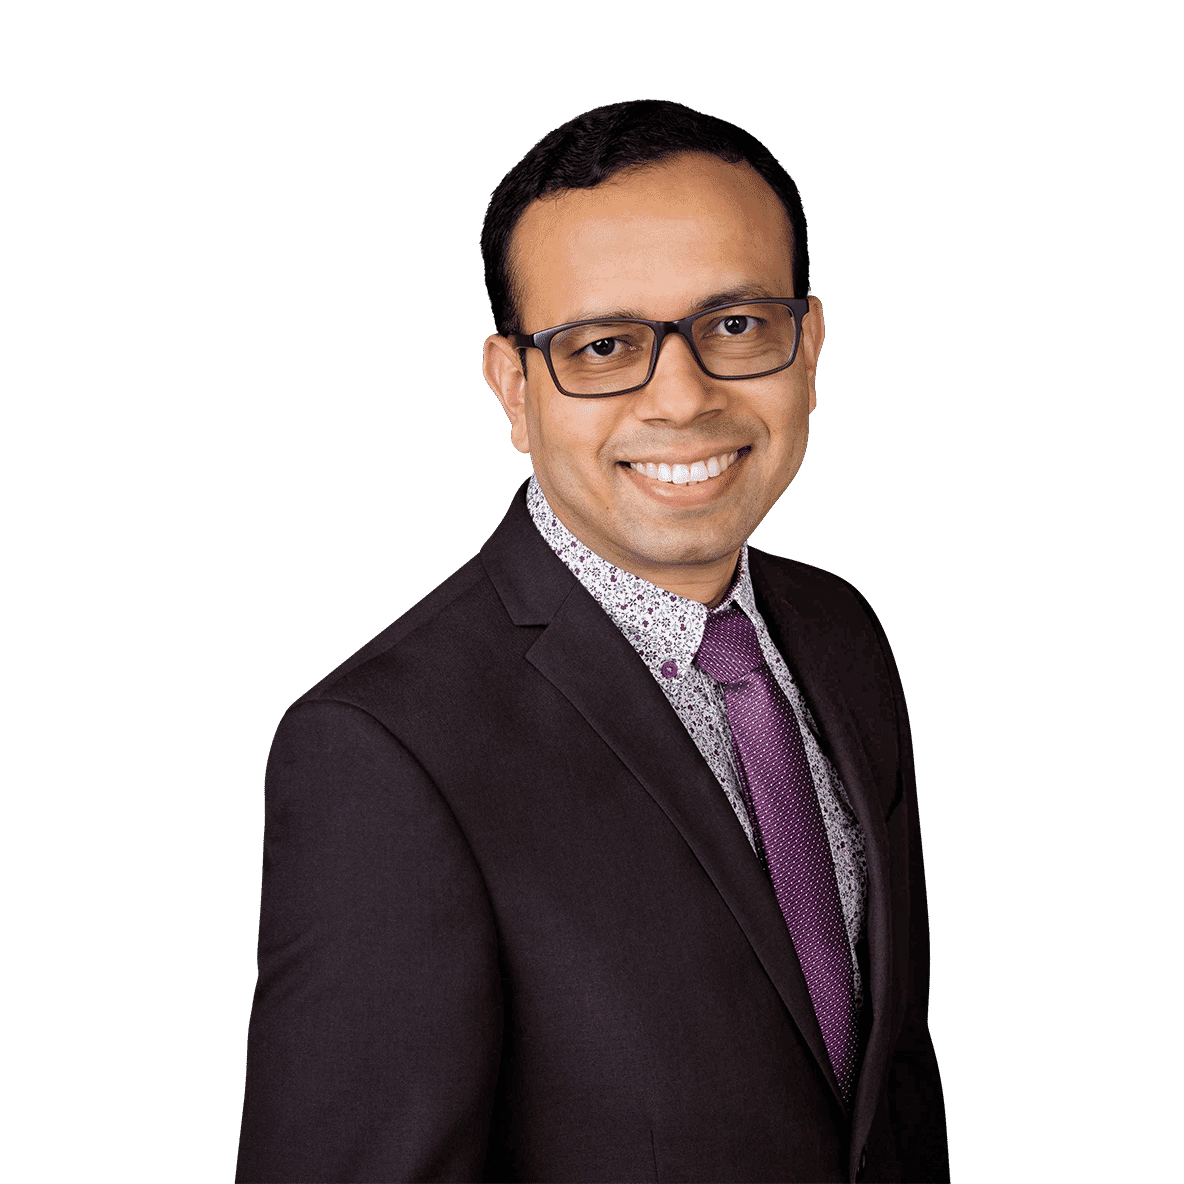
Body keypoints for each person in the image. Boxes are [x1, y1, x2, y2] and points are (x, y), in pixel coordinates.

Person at [235, 99, 949, 1183]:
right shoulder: (381, 753)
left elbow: (882, 1090)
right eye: (603, 345)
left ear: (807, 345)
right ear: (512, 387)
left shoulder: (840, 633)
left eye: (737, 324)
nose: (682, 397)